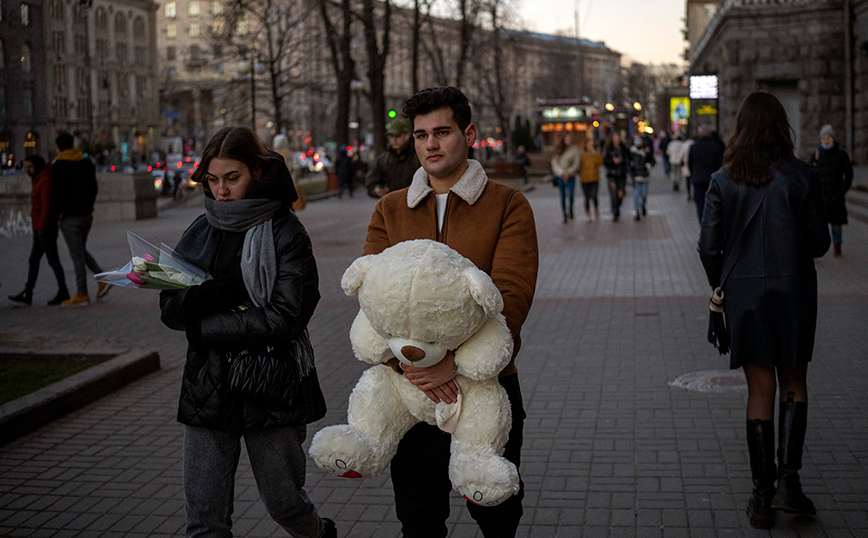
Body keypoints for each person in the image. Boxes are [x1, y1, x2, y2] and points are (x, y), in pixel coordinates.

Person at [362, 86, 538, 537]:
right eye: (421, 135)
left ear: (470, 133)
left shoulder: (507, 205)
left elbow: (511, 297)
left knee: (496, 513)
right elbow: (371, 298)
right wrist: (410, 365)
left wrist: (455, 365)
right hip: (412, 390)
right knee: (418, 519)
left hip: (487, 388)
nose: (430, 144)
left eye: (441, 131)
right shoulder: (390, 208)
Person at [158, 126, 336, 538]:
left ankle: (320, 534)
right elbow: (170, 309)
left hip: (268, 383)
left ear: (256, 171)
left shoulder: (285, 232)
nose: (221, 191)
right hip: (208, 385)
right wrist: (207, 298)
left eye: (232, 178)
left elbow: (286, 316)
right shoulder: (199, 230)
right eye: (212, 180)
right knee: (204, 520)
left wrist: (205, 325)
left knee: (285, 504)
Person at [698, 91, 830, 530]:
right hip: (795, 292)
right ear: (781, 127)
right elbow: (820, 244)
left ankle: (761, 498)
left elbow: (708, 246)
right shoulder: (802, 176)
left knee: (759, 391)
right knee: (795, 382)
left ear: (741, 129)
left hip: (746, 298)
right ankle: (791, 484)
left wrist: (724, 285)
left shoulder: (723, 179)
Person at [51, 132, 110, 306]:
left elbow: (57, 193)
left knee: (77, 255)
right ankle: (102, 278)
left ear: (59, 147)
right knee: (81, 251)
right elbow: (93, 187)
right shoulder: (85, 162)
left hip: (69, 217)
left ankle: (82, 293)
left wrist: (58, 214)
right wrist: (88, 205)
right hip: (86, 214)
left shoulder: (59, 165)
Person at [8, 155, 69, 306]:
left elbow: (45, 206)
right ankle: (28, 293)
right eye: (26, 167)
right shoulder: (39, 179)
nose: (27, 170)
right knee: (34, 260)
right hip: (40, 228)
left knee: (52, 260)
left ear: (36, 166)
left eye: (30, 167)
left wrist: (41, 226)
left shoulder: (44, 181)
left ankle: (63, 291)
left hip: (44, 228)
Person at [808, 124, 853, 257]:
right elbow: (809, 173)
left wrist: (842, 190)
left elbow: (848, 174)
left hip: (835, 196)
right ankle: (816, 249)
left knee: (836, 225)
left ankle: (837, 246)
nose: (826, 140)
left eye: (828, 137)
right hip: (820, 196)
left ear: (833, 138)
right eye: (823, 137)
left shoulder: (841, 155)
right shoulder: (816, 155)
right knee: (817, 224)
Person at [365, 118, 420, 198]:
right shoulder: (384, 159)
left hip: (414, 205)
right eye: (391, 136)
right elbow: (371, 183)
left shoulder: (417, 157)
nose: (394, 140)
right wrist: (377, 190)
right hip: (391, 205)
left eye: (397, 136)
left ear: (407, 135)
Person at [688, 124, 725, 222]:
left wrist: (693, 174)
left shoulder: (694, 146)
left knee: (700, 201)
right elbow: (720, 163)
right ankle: (712, 220)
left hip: (698, 178)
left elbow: (690, 162)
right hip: (712, 178)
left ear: (699, 134)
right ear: (709, 133)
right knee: (713, 202)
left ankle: (702, 221)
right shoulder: (716, 146)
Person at [551, 133, 581, 223]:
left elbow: (577, 163)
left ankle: (570, 208)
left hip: (570, 175)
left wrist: (569, 172)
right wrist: (562, 173)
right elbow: (554, 163)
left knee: (571, 195)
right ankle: (564, 213)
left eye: (569, 139)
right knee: (563, 195)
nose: (568, 141)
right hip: (560, 176)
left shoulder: (574, 150)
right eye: (566, 139)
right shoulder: (558, 150)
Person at [603, 131, 630, 222]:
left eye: (617, 137)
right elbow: (605, 162)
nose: (616, 139)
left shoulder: (623, 148)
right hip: (612, 175)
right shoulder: (608, 149)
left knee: (620, 194)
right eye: (614, 137)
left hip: (621, 175)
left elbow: (627, 160)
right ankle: (615, 211)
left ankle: (617, 207)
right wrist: (612, 161)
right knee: (613, 194)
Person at [578, 138, 603, 221]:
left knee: (594, 195)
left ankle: (596, 209)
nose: (590, 146)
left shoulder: (595, 154)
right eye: (589, 144)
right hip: (584, 179)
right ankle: (588, 213)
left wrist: (595, 154)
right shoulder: (582, 155)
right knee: (587, 197)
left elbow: (600, 163)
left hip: (594, 178)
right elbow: (579, 166)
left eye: (592, 144)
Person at [628, 134, 652, 221]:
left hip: (645, 175)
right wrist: (631, 173)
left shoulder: (646, 151)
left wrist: (649, 165)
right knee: (636, 194)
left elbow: (652, 160)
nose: (637, 141)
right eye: (635, 139)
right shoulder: (631, 152)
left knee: (644, 194)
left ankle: (643, 205)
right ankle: (637, 211)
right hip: (636, 175)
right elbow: (628, 163)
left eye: (639, 139)